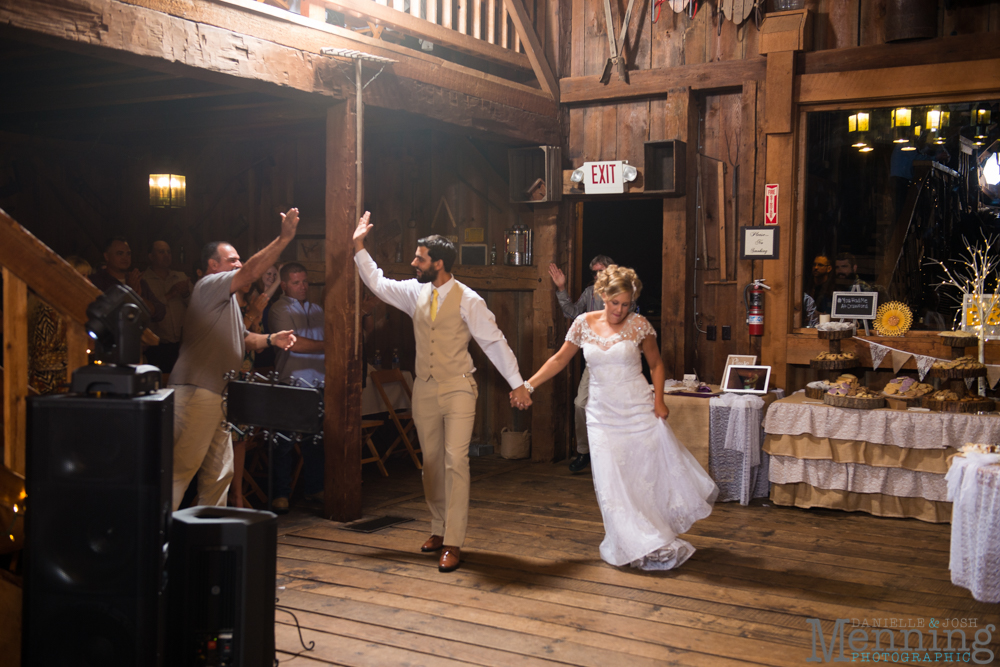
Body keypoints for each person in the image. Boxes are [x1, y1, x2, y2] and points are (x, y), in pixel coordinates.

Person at [353, 211, 532, 573]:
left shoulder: (469, 299)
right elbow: (377, 282)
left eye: (420, 258)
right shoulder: (414, 292)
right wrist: (359, 246)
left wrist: (519, 384)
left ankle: (453, 540)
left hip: (459, 389)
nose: (414, 263)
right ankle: (437, 528)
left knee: (456, 462)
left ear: (438, 263)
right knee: (431, 464)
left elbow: (494, 343)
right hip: (424, 389)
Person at [520, 265, 718, 570]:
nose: (620, 310)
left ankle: (652, 537)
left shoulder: (639, 325)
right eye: (615, 303)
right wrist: (528, 384)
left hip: (638, 410)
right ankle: (628, 540)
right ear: (602, 296)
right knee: (610, 482)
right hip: (600, 414)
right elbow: (559, 358)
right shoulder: (582, 323)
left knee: (639, 478)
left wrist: (659, 401)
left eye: (626, 304)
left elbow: (656, 365)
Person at [169, 209, 300, 511]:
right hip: (196, 391)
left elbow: (242, 339)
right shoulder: (208, 286)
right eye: (233, 260)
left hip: (218, 395)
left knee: (220, 473)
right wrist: (284, 238)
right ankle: (157, 544)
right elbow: (253, 271)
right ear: (213, 266)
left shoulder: (225, 302)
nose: (239, 265)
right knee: (180, 471)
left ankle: (206, 540)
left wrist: (271, 339)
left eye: (239, 260)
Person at [267, 261, 326, 511]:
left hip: (318, 381)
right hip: (291, 382)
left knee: (316, 441)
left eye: (305, 282)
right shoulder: (278, 309)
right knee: (284, 442)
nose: (303, 286)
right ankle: (280, 494)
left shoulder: (317, 309)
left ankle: (314, 489)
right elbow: (294, 343)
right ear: (283, 285)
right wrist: (331, 344)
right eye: (296, 282)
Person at [548, 254, 614, 474]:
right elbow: (572, 312)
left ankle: (614, 458)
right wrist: (561, 288)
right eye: (594, 272)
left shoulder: (623, 292)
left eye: (601, 271)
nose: (597, 276)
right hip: (594, 362)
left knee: (613, 409)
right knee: (580, 404)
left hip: (617, 363)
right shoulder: (589, 293)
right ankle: (584, 452)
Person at [228, 279, 270, 508]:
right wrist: (252, 314)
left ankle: (236, 495)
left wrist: (255, 315)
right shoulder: (225, 305)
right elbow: (232, 340)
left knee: (241, 440)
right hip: (223, 377)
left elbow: (259, 346)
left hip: (244, 378)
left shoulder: (250, 308)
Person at [28, 256, 92, 394]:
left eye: (88, 276)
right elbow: (41, 359)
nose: (89, 281)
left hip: (66, 384)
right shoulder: (49, 308)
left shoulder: (74, 307)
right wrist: (78, 353)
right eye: (83, 276)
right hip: (47, 387)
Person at [91, 236, 166, 324]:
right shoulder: (96, 281)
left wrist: (137, 297)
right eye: (120, 253)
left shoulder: (138, 281)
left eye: (128, 254)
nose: (125, 257)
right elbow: (102, 313)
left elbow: (160, 312)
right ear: (107, 256)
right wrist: (129, 293)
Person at [143, 240, 192, 374]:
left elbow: (195, 306)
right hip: (157, 346)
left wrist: (186, 293)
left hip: (183, 344)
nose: (166, 255)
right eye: (161, 252)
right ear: (151, 256)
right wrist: (170, 294)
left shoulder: (180, 276)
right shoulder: (143, 280)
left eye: (169, 252)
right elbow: (147, 309)